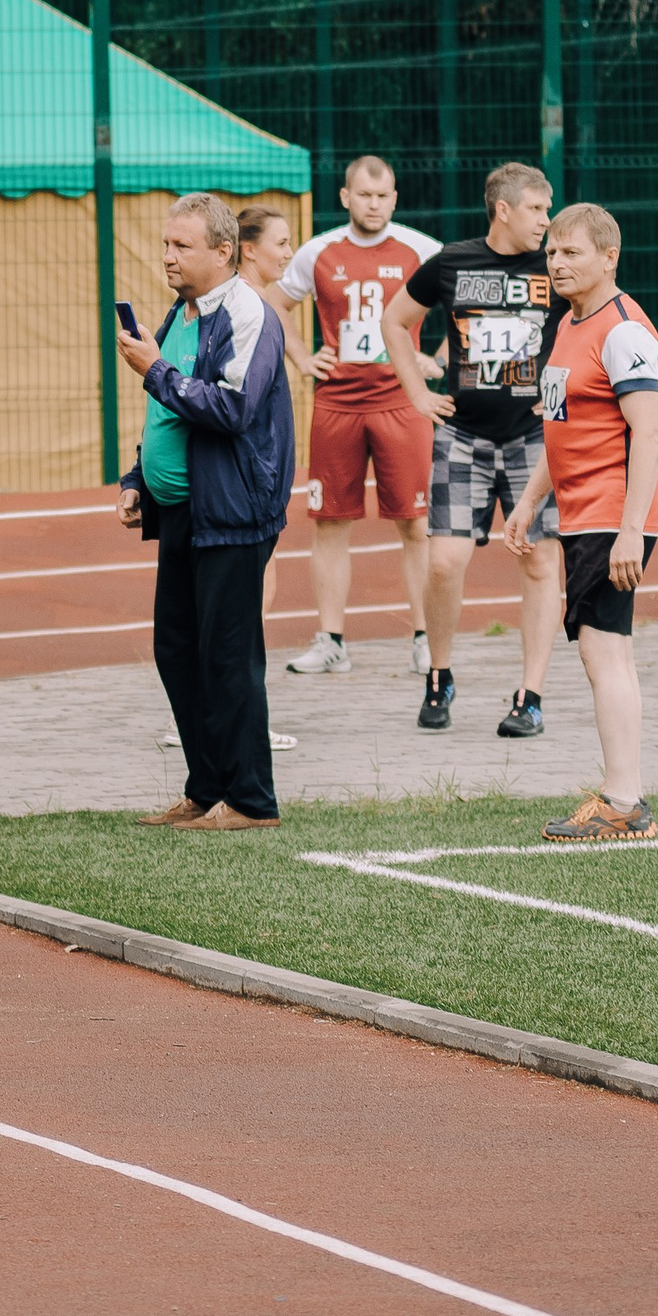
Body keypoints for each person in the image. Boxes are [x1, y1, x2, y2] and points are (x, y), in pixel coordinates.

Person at [116, 193, 295, 832]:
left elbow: (231, 410)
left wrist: (154, 369)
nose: (167, 256)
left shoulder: (249, 314)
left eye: (181, 246)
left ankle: (250, 800)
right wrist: (139, 478)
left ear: (224, 252)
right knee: (177, 649)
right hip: (184, 510)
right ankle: (206, 787)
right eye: (166, 244)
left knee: (227, 655)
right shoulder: (180, 312)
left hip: (233, 511)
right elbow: (166, 413)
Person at [382, 161, 564, 737]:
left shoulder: (555, 267)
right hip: (463, 435)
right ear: (504, 210)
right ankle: (439, 674)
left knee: (539, 560)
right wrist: (417, 391)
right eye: (537, 208)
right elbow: (394, 321)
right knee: (445, 563)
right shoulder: (452, 262)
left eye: (548, 207)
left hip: (532, 438)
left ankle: (530, 695)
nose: (547, 220)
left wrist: (558, 397)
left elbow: (590, 328)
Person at [505, 205, 658, 841]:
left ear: (608, 259)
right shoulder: (569, 324)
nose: (557, 263)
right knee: (607, 650)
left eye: (571, 252)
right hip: (582, 515)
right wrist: (528, 500)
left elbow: (647, 433)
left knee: (604, 650)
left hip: (611, 514)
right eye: (551, 252)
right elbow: (561, 428)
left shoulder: (623, 330)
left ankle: (623, 804)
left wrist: (630, 528)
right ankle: (622, 798)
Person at [259, 157, 442, 678]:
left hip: (400, 403)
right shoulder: (318, 252)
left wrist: (441, 362)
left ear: (395, 198)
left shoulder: (420, 250)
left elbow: (462, 306)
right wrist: (299, 356)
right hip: (337, 404)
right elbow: (271, 304)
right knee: (331, 521)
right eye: (364, 195)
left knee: (415, 522)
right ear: (345, 197)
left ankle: (427, 638)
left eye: (383, 196)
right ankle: (331, 640)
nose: (374, 205)